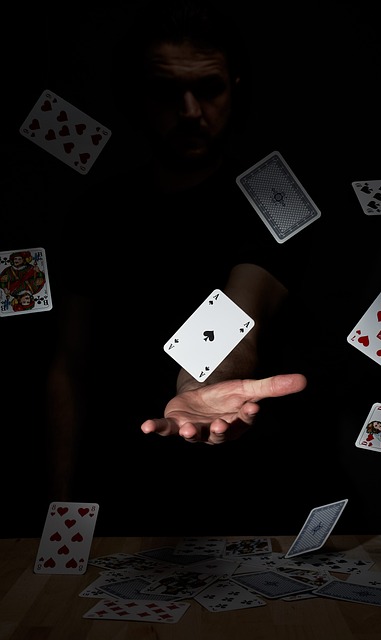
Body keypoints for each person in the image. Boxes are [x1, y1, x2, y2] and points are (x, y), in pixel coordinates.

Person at [46, 0, 308, 534]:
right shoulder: (96, 212)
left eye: (209, 89)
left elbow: (243, 305)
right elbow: (67, 365)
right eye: (167, 92)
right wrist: (59, 505)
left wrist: (202, 377)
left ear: (235, 86)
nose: (190, 110)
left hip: (249, 495)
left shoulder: (273, 202)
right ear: (137, 98)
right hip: (120, 489)